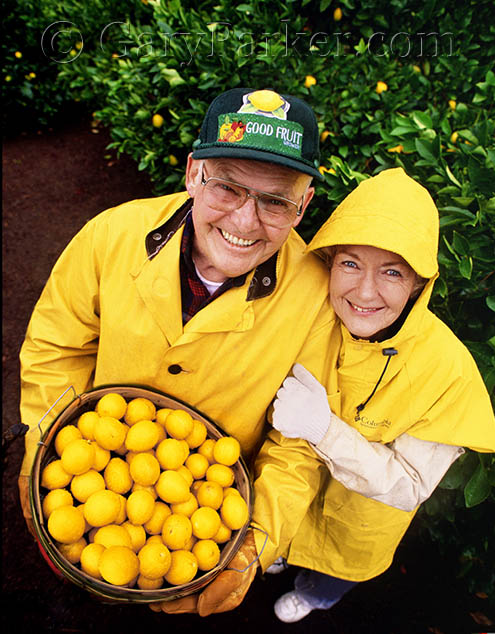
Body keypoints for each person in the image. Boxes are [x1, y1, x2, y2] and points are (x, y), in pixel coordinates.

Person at [17, 87, 338, 616]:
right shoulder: (111, 237)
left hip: (200, 508)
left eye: (276, 200)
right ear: (193, 173)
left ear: (302, 206)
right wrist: (45, 443)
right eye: (228, 188)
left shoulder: (315, 299)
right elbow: (58, 348)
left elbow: (298, 443)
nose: (243, 220)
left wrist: (257, 539)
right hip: (91, 469)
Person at [251, 167, 495, 622]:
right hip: (287, 494)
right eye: (350, 263)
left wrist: (323, 430)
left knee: (330, 575)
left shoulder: (449, 372)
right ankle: (282, 549)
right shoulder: (310, 317)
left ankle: (313, 596)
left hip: (359, 528)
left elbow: (408, 485)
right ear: (329, 263)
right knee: (281, 535)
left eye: (391, 271)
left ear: (420, 283)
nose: (364, 291)